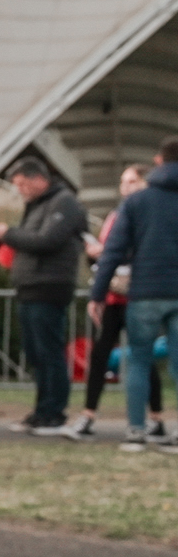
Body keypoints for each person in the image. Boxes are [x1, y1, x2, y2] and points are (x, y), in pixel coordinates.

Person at [0, 158, 85, 436]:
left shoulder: (64, 203)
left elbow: (48, 241)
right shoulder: (36, 207)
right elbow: (26, 241)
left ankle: (54, 413)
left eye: (23, 184)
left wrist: (9, 233)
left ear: (39, 179)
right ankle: (41, 411)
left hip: (50, 285)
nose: (21, 191)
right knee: (36, 353)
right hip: (29, 285)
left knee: (49, 352)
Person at [89, 136, 178, 453]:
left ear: (158, 161)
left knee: (139, 361)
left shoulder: (137, 203)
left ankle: (136, 432)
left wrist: (97, 293)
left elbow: (112, 251)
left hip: (145, 292)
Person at [69, 164, 162, 441]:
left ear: (144, 183)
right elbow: (109, 254)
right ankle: (88, 414)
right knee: (100, 355)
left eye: (132, 181)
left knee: (142, 356)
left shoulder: (147, 212)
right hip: (113, 295)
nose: (126, 187)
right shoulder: (116, 214)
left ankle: (154, 418)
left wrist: (110, 253)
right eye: (124, 181)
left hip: (138, 295)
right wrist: (96, 255)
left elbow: (138, 250)